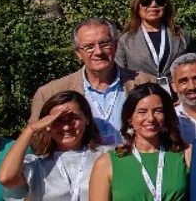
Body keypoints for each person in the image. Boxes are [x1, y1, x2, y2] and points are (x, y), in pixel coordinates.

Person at [30, 19, 158, 144]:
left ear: (115, 45)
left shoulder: (146, 82)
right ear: (78, 53)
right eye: (89, 47)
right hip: (78, 164)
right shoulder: (50, 92)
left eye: (104, 43)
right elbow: (37, 140)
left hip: (134, 162)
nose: (98, 52)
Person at [119, 0, 190, 79]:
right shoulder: (124, 40)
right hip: (141, 92)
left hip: (174, 93)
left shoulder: (182, 36)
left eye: (160, 1)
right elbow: (119, 74)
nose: (153, 5)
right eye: (146, 1)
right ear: (137, 6)